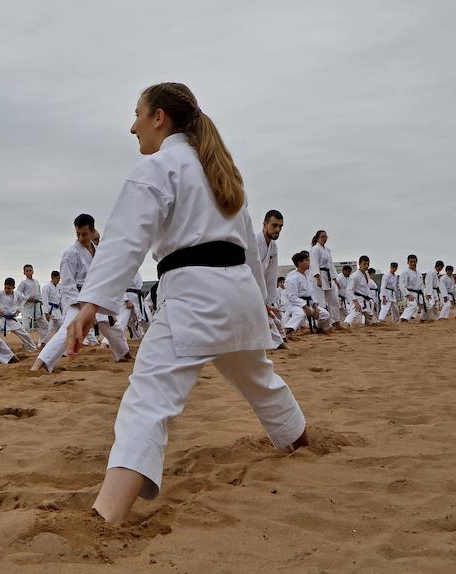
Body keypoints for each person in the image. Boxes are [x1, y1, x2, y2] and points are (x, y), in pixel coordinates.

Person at [63, 82, 308, 524]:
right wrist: (263, 301)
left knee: (148, 398)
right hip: (238, 293)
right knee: (259, 379)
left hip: (195, 295)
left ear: (160, 118)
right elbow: (250, 252)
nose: (131, 126)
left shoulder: (159, 167)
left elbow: (124, 240)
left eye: (138, 114)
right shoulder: (222, 173)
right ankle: (303, 443)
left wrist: (91, 304)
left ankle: (107, 516)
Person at [30, 214, 132, 372]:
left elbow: (104, 278)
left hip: (96, 296)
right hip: (78, 298)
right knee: (68, 329)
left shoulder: (98, 252)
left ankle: (124, 354)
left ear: (93, 232)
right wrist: (84, 307)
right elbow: (68, 285)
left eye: (84, 234)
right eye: (78, 234)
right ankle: (40, 363)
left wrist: (107, 302)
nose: (81, 237)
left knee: (113, 327)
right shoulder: (70, 253)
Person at [255, 210, 286, 347]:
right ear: (264, 224)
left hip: (259, 289)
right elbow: (251, 271)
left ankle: (280, 341)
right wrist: (262, 301)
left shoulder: (273, 247)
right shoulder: (254, 241)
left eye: (280, 226)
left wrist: (270, 300)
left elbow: (271, 275)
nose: (278, 229)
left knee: (273, 320)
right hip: (245, 285)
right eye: (274, 225)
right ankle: (279, 343)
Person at [283, 251, 331, 334]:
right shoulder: (293, 277)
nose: (309, 262)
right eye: (307, 260)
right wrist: (305, 307)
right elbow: (292, 297)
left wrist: (315, 306)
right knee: (300, 313)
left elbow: (311, 294)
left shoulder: (307, 276)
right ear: (299, 263)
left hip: (308, 303)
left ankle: (319, 329)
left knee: (325, 314)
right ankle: (285, 332)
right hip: (294, 305)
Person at [0, 277, 38, 352]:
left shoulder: (17, 294)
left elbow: (23, 301)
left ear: (13, 287)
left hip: (12, 319)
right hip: (2, 319)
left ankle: (32, 349)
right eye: (5, 288)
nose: (6, 290)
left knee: (24, 334)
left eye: (9, 288)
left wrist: (19, 309)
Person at [310, 230, 342, 330]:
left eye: (326, 236)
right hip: (319, 277)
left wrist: (335, 280)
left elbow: (331, 265)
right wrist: (317, 278)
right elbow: (314, 264)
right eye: (322, 237)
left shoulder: (327, 250)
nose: (324, 238)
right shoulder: (315, 249)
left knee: (334, 300)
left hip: (328, 277)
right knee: (320, 302)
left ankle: (336, 322)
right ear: (318, 238)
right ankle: (320, 325)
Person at [18, 265, 48, 347]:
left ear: (33, 271)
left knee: (45, 325)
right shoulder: (23, 283)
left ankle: (42, 342)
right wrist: (27, 299)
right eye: (27, 270)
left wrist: (41, 302)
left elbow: (39, 293)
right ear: (24, 272)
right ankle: (25, 343)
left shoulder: (36, 282)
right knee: (25, 327)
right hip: (27, 307)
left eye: (30, 270)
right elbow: (18, 294)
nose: (28, 272)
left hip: (37, 306)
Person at [343, 256, 376, 327]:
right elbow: (349, 291)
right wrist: (355, 302)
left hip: (365, 299)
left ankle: (369, 323)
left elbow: (367, 288)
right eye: (364, 264)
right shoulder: (354, 276)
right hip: (357, 299)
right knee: (355, 312)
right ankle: (346, 324)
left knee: (369, 317)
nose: (366, 266)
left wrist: (370, 298)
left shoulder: (366, 275)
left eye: (368, 264)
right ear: (359, 264)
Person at [399, 254, 430, 322]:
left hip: (419, 293)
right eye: (411, 262)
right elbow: (401, 285)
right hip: (410, 293)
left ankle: (423, 318)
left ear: (416, 262)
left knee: (428, 306)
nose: (413, 263)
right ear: (408, 262)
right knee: (413, 306)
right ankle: (403, 319)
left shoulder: (419, 273)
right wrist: (407, 294)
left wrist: (425, 294)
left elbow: (422, 285)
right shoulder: (405, 272)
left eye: (414, 261)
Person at [41, 270, 63, 341]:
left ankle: (59, 342)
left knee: (61, 326)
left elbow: (61, 299)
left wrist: (62, 310)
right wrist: (46, 313)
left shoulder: (60, 287)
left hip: (57, 310)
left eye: (59, 278)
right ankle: (42, 343)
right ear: (52, 277)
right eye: (57, 278)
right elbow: (45, 301)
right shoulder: (46, 287)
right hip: (50, 310)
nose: (58, 280)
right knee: (49, 328)